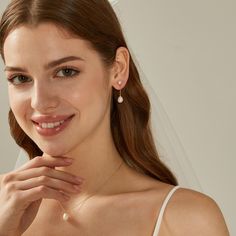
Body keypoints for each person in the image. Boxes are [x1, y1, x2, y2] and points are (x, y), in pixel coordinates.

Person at [0, 0, 229, 235]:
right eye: (20, 78)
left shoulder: (184, 220)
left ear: (118, 68)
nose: (39, 101)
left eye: (66, 72)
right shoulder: (3, 207)